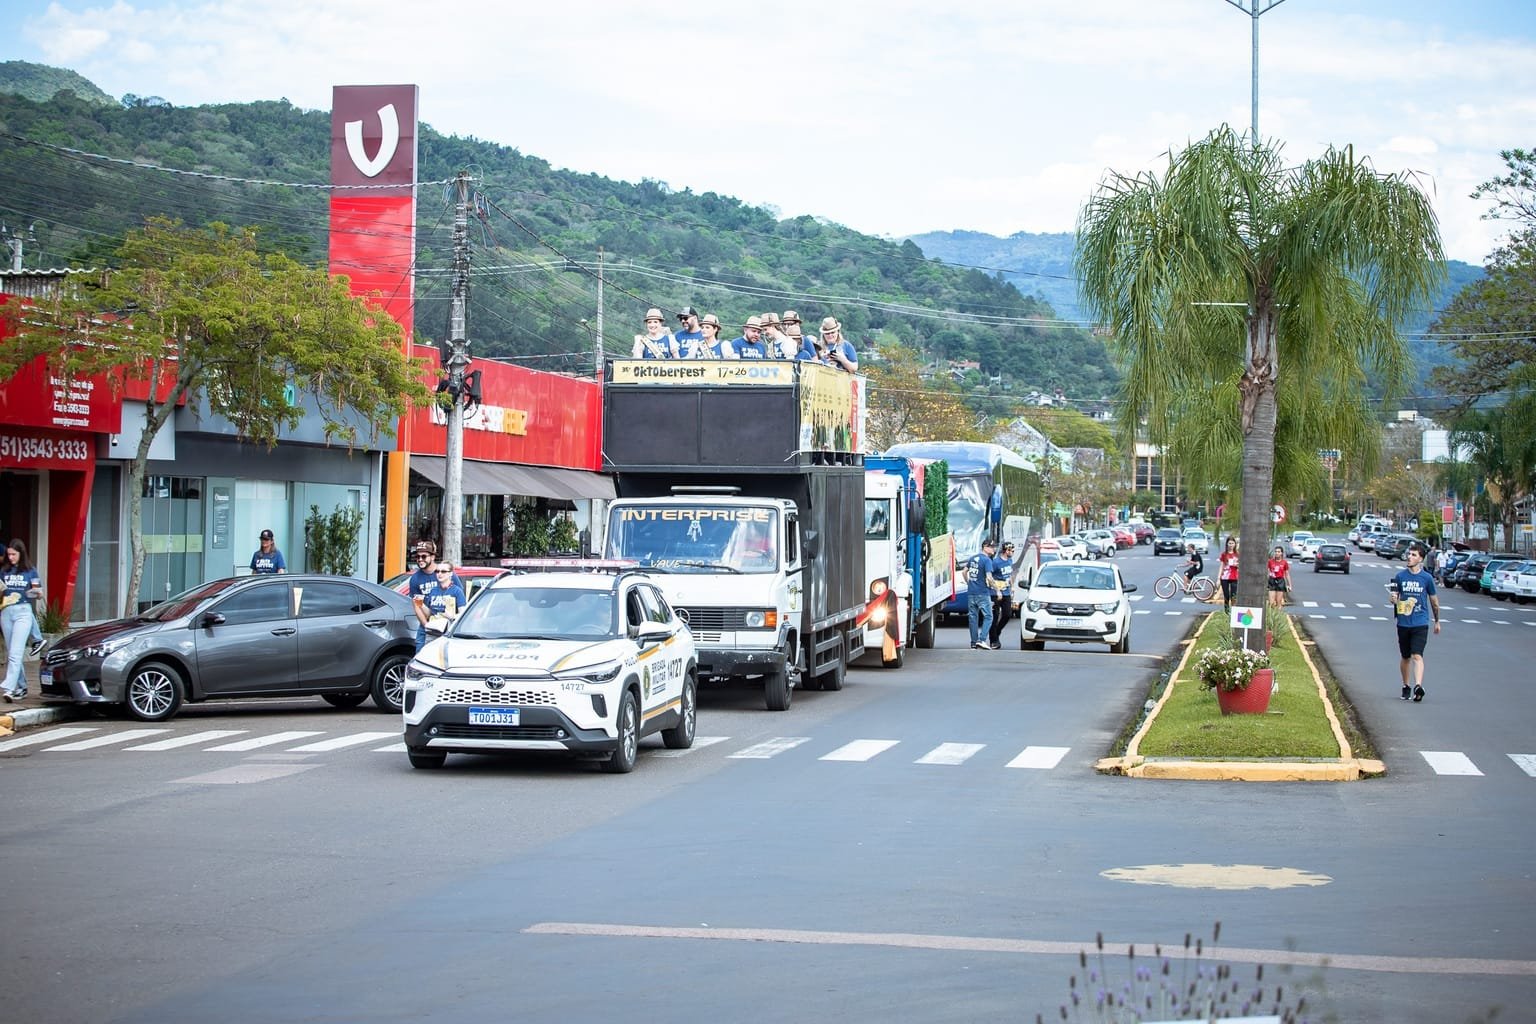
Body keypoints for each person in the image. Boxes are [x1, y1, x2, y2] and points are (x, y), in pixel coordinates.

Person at [1389, 542, 1440, 702]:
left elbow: (1434, 601)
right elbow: (1394, 597)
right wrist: (1393, 599)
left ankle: (1418, 685)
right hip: (1403, 622)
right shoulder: (1400, 576)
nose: (1409, 557)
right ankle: (1406, 685)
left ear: (1421, 559)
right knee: (1405, 656)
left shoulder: (1427, 578)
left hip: (1421, 622)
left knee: (1417, 655)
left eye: (1413, 555)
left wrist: (1437, 621)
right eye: (1409, 554)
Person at [2, 539, 43, 701]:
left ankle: (9, 688)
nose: (11, 557)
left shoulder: (30, 571)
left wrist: (35, 593)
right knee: (11, 652)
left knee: (16, 652)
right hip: (6, 611)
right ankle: (22, 686)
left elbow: (38, 592)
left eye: (13, 554)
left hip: (23, 612)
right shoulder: (4, 571)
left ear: (21, 553)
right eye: (9, 554)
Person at [412, 562, 468, 652]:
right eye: (437, 571)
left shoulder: (456, 591)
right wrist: (420, 604)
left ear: (450, 574)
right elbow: (430, 613)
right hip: (433, 630)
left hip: (447, 631)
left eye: (443, 571)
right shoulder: (433, 590)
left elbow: (464, 615)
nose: (439, 574)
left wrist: (452, 616)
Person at [965, 538, 998, 650]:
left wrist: (968, 582)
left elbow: (965, 571)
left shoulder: (972, 558)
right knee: (989, 616)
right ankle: (982, 639)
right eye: (992, 547)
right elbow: (989, 577)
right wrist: (996, 589)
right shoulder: (987, 560)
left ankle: (973, 642)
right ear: (985, 547)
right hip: (983, 592)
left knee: (973, 618)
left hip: (971, 592)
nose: (994, 549)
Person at [987, 541, 1016, 649]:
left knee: (1007, 614)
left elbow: (1010, 575)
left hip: (1006, 592)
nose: (1012, 552)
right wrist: (996, 590)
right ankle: (994, 640)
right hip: (996, 593)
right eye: (1011, 550)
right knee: (994, 617)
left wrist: (1012, 587)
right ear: (1006, 550)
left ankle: (997, 631)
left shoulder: (1010, 560)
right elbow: (989, 576)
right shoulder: (995, 562)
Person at [1217, 536, 1240, 611]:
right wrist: (1218, 578)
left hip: (1234, 576)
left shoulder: (1237, 554)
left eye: (1232, 543)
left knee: (1233, 595)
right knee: (1226, 595)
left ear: (1235, 544)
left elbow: (1241, 566)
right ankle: (1227, 611)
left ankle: (1233, 611)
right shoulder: (1224, 554)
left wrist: (1237, 565)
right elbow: (1221, 565)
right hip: (1225, 577)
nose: (1231, 545)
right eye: (1229, 543)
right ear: (1227, 544)